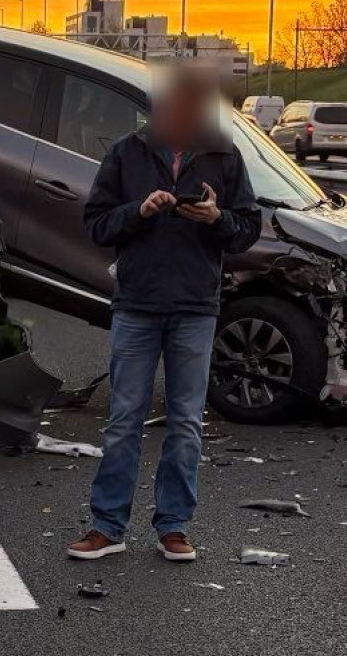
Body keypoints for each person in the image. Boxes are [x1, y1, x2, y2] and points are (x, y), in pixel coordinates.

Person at [67, 64, 262, 564]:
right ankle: (107, 526)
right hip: (137, 304)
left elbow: (247, 229)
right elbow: (96, 225)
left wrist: (217, 218)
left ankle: (173, 526)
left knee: (184, 422)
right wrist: (140, 211)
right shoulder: (126, 154)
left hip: (196, 306)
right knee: (123, 419)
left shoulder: (224, 157)